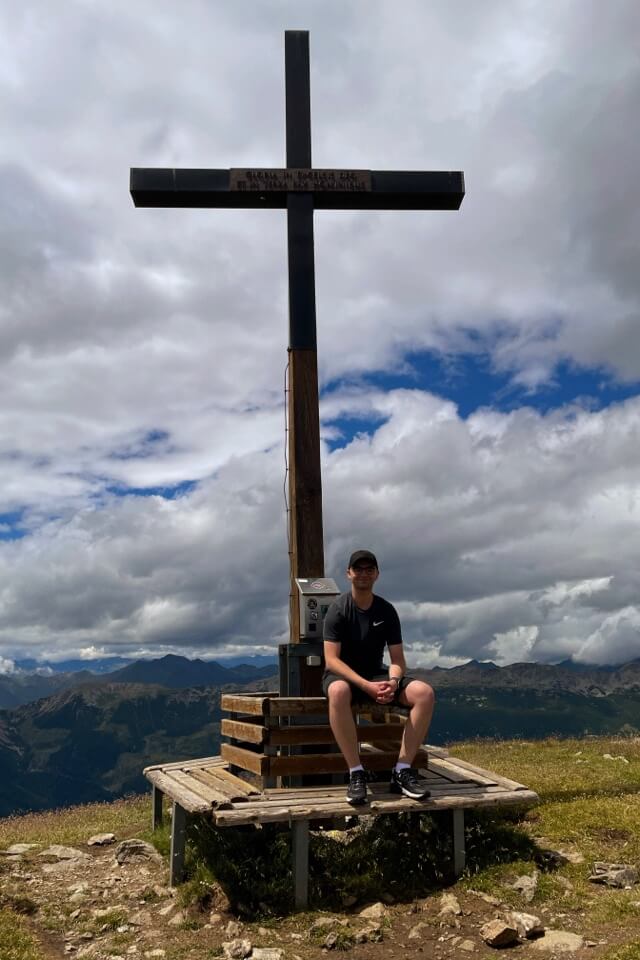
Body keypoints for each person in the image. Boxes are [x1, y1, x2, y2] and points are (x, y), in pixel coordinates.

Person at [322, 549, 435, 805]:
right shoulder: (338, 610)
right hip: (343, 675)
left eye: (369, 569)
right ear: (348, 574)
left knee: (424, 693)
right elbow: (331, 660)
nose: (363, 573)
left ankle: (402, 770)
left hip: (376, 673)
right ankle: (356, 773)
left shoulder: (386, 610)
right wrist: (366, 686)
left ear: (377, 574)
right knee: (338, 691)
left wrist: (393, 682)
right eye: (358, 569)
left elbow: (397, 660)